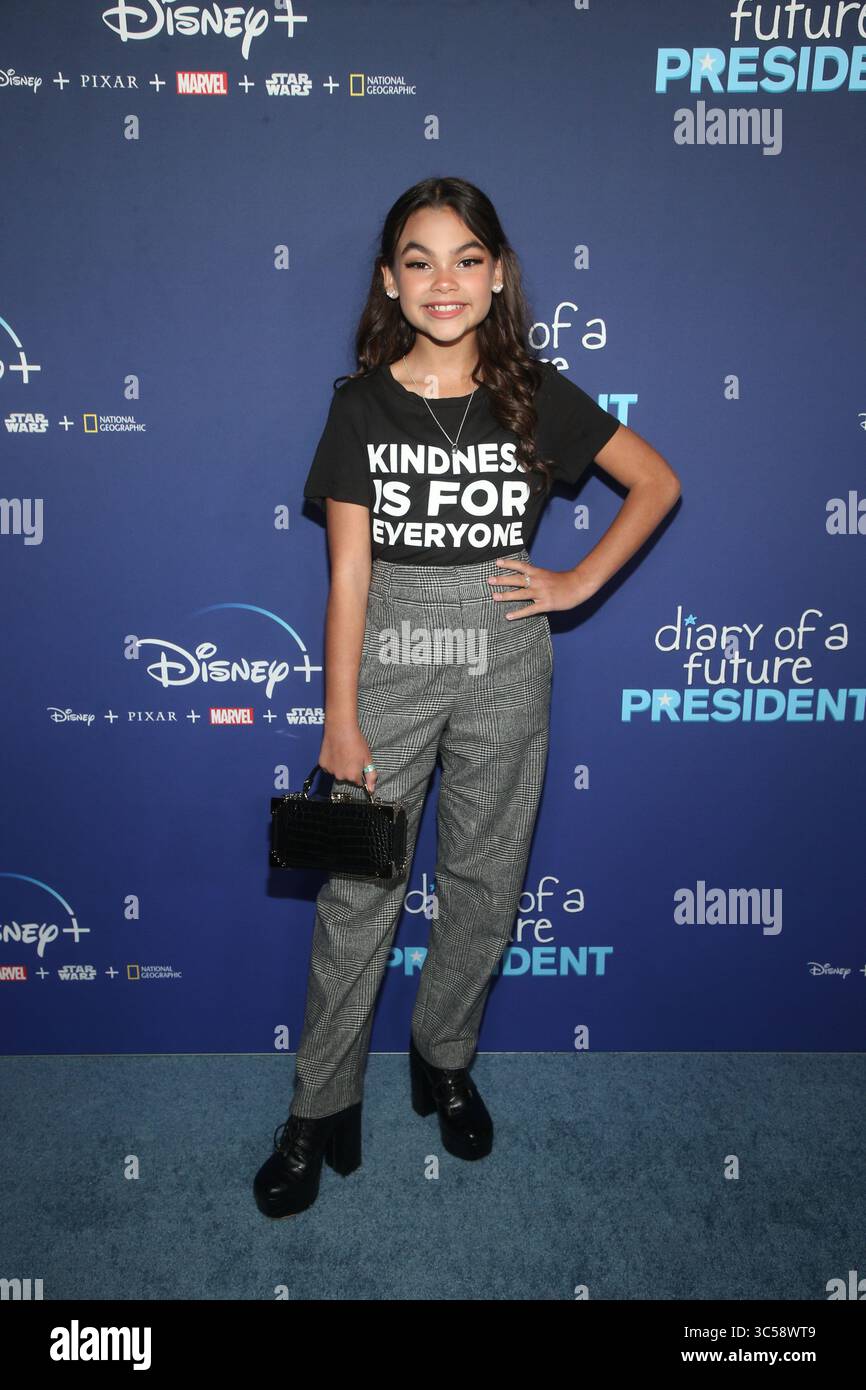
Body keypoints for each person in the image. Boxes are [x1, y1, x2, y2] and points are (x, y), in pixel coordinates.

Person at [253, 176, 681, 1218]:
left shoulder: (535, 391)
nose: (442, 280)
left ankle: (442, 1059)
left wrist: (573, 582)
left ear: (495, 277)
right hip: (388, 653)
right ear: (389, 282)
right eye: (418, 259)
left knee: (486, 882)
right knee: (358, 896)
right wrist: (339, 717)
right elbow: (347, 574)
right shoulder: (357, 404)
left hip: (503, 654)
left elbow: (656, 482)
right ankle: (318, 1107)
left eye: (464, 258)